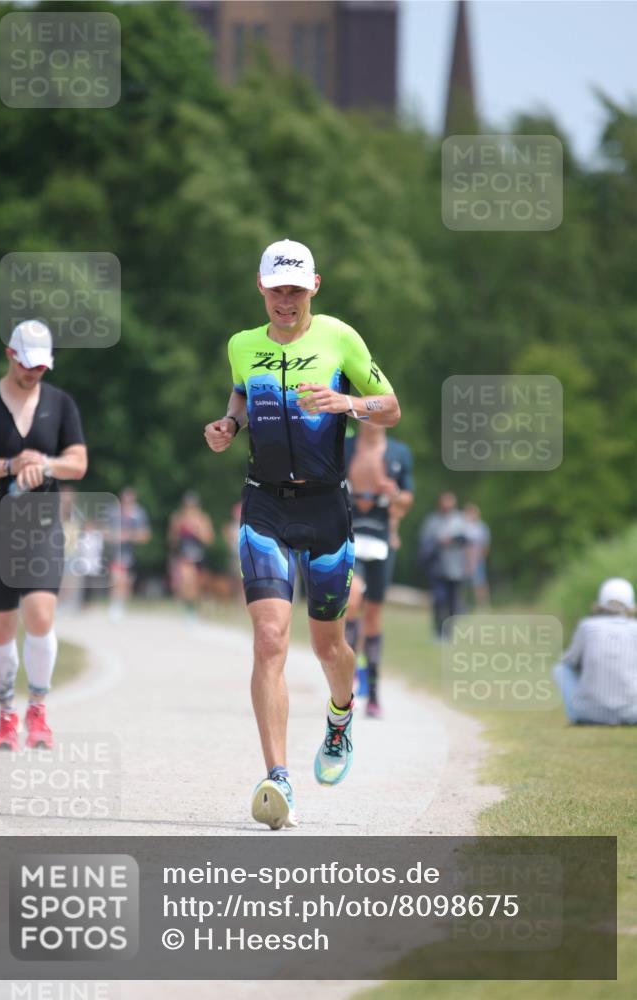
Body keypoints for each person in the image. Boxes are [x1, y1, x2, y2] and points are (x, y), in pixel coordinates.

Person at [204, 238, 400, 830]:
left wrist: (347, 401)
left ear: (314, 285)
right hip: (263, 505)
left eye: (295, 289)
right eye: (275, 289)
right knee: (269, 638)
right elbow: (240, 391)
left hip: (325, 513)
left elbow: (390, 406)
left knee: (327, 645)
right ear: (260, 287)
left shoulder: (340, 338)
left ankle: (341, 716)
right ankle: (278, 777)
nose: (285, 301)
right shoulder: (242, 345)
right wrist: (229, 423)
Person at [0, 321, 87, 750]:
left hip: (40, 528)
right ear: (9, 355)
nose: (34, 373)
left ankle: (37, 709)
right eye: (27, 364)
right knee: (1, 626)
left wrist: (46, 464)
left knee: (40, 616)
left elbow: (78, 463)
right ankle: (5, 715)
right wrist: (9, 466)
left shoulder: (60, 404)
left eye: (41, 366)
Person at [344, 424, 414, 717]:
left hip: (382, 540)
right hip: (349, 535)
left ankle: (372, 692)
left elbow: (407, 499)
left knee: (373, 616)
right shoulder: (345, 446)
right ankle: (345, 689)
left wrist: (395, 494)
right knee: (351, 600)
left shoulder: (399, 452)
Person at [553, 578, 637, 725]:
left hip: (589, 714)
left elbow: (569, 662)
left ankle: (577, 713)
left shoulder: (587, 627)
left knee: (560, 668)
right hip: (632, 714)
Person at [418, 492, 470, 638]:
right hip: (437, 568)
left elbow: (467, 540)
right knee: (439, 600)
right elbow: (424, 542)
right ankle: (438, 630)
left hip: (456, 569)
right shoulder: (432, 521)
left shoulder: (460, 520)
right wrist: (438, 542)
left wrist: (452, 540)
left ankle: (449, 631)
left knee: (454, 602)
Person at [168, 491, 215, 617]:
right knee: (187, 579)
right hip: (184, 555)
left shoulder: (203, 518)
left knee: (196, 585)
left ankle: (192, 606)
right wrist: (177, 531)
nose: (189, 508)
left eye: (192, 505)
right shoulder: (178, 518)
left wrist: (196, 530)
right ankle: (188, 609)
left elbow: (209, 540)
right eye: (187, 505)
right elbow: (172, 541)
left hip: (199, 556)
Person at [107, 486, 151, 620]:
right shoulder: (113, 512)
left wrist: (129, 536)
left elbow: (145, 535)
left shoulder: (139, 513)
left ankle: (120, 605)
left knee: (125, 582)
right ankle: (115, 606)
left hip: (131, 552)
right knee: (116, 578)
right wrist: (115, 536)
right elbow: (104, 531)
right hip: (115, 551)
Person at [463, 502, 491, 607]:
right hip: (464, 559)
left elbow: (485, 545)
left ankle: (482, 605)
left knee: (480, 583)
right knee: (463, 584)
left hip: (478, 559)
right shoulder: (463, 526)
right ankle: (464, 605)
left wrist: (480, 558)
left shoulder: (481, 527)